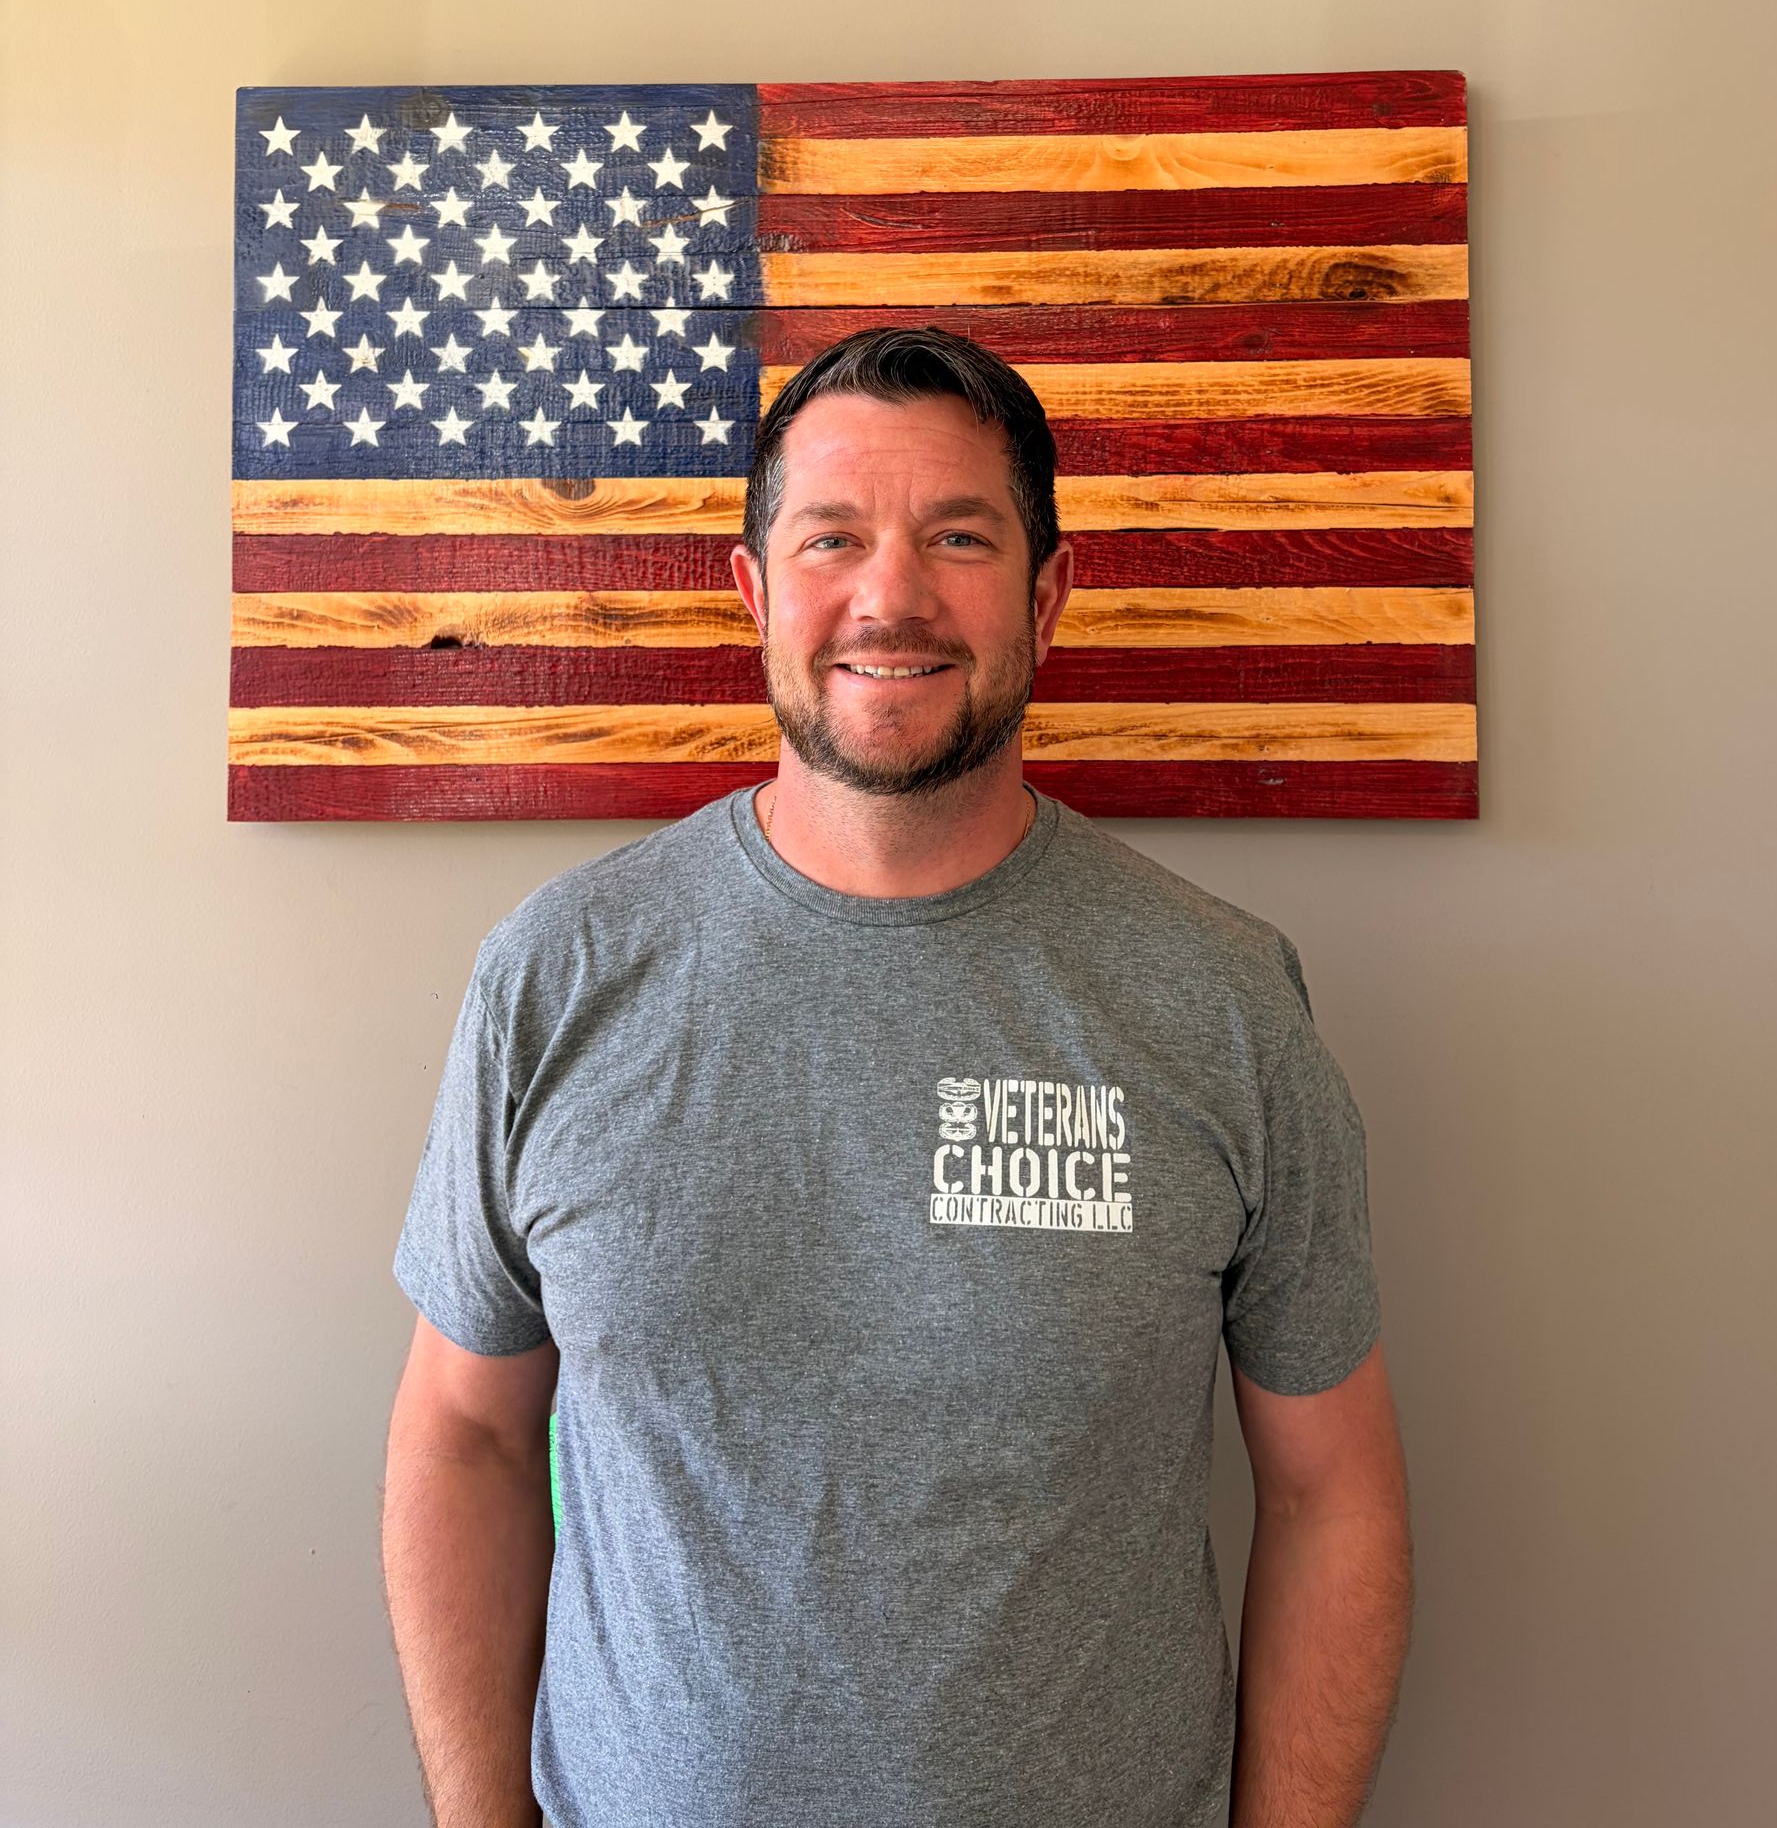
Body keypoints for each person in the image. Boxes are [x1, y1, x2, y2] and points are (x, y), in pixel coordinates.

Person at [382, 326, 1413, 1828]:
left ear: (1048, 595)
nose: (891, 594)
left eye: (960, 538)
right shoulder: (556, 976)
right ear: (754, 588)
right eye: (834, 538)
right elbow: (463, 1433)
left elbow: (1334, 1493)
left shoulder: (1220, 998)